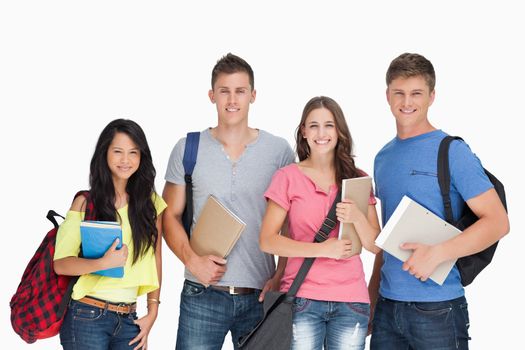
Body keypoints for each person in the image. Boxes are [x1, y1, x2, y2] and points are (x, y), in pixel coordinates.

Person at [369, 53, 510, 350]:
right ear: (387, 96)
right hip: (387, 307)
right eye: (399, 93)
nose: (407, 102)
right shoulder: (383, 158)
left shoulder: (452, 152)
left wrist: (438, 253)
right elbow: (386, 239)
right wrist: (371, 301)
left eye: (416, 93)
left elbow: (498, 222)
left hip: (438, 309)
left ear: (432, 96)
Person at [162, 53, 295, 349]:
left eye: (240, 91)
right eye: (224, 91)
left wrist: (280, 275)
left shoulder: (279, 151)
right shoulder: (188, 148)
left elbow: (290, 223)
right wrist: (192, 262)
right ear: (212, 96)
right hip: (202, 293)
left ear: (253, 95)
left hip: (259, 294)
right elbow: (169, 216)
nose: (232, 100)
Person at [259, 96, 381, 350]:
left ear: (339, 131)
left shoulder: (358, 179)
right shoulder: (287, 177)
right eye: (313, 125)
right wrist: (323, 249)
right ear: (303, 131)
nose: (321, 133)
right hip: (303, 298)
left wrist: (356, 216)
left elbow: (375, 245)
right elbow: (268, 240)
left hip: (351, 300)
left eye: (329, 125)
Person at [54, 119, 166, 350]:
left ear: (141, 157)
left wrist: (152, 312)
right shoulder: (85, 203)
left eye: (133, 152)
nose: (126, 160)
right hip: (86, 315)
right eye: (118, 152)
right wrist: (103, 262)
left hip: (129, 319)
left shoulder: (151, 205)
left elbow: (156, 258)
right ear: (104, 153)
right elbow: (61, 264)